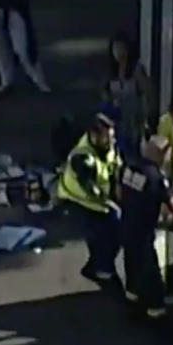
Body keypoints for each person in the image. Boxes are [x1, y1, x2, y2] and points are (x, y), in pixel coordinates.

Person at [117, 135, 173, 323]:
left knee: (131, 262)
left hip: (125, 224)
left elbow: (119, 192)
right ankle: (155, 309)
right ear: (162, 154)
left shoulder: (129, 167)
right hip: (142, 231)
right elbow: (172, 204)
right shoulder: (155, 177)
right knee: (150, 271)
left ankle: (132, 295)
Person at [56, 118, 122, 283]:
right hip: (77, 201)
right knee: (105, 234)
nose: (111, 141)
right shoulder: (83, 157)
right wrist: (112, 204)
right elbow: (92, 190)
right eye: (107, 137)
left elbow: (115, 166)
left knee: (113, 231)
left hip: (96, 200)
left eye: (112, 136)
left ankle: (96, 264)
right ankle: (100, 269)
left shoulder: (107, 146)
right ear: (94, 136)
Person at [102, 32, 154, 160]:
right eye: (115, 48)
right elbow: (105, 95)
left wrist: (146, 118)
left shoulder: (136, 69)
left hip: (135, 122)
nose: (118, 52)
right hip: (117, 123)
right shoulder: (110, 71)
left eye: (121, 48)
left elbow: (148, 93)